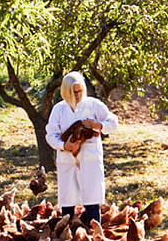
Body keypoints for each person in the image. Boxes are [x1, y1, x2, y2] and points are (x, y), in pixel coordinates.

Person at [44, 71, 118, 226]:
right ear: (66, 92)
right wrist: (65, 145)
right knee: (68, 202)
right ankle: (67, 237)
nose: (77, 95)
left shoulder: (93, 105)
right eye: (73, 92)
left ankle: (93, 236)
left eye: (79, 91)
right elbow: (50, 135)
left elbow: (113, 123)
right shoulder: (59, 110)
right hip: (67, 160)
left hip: (89, 159)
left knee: (92, 201)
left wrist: (98, 125)